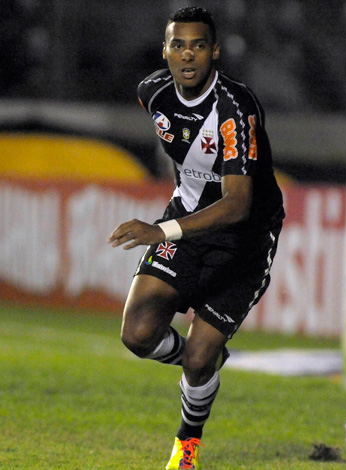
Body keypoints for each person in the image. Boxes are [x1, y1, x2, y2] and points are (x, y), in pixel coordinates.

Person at [107, 7, 285, 469]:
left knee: (200, 358)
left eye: (199, 45)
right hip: (186, 222)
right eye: (179, 45)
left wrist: (159, 230)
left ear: (215, 51)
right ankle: (201, 362)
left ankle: (187, 444)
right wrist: (176, 212)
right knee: (138, 334)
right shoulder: (152, 93)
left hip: (244, 239)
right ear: (166, 51)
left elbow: (237, 204)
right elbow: (186, 151)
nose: (188, 55)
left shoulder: (236, 108)